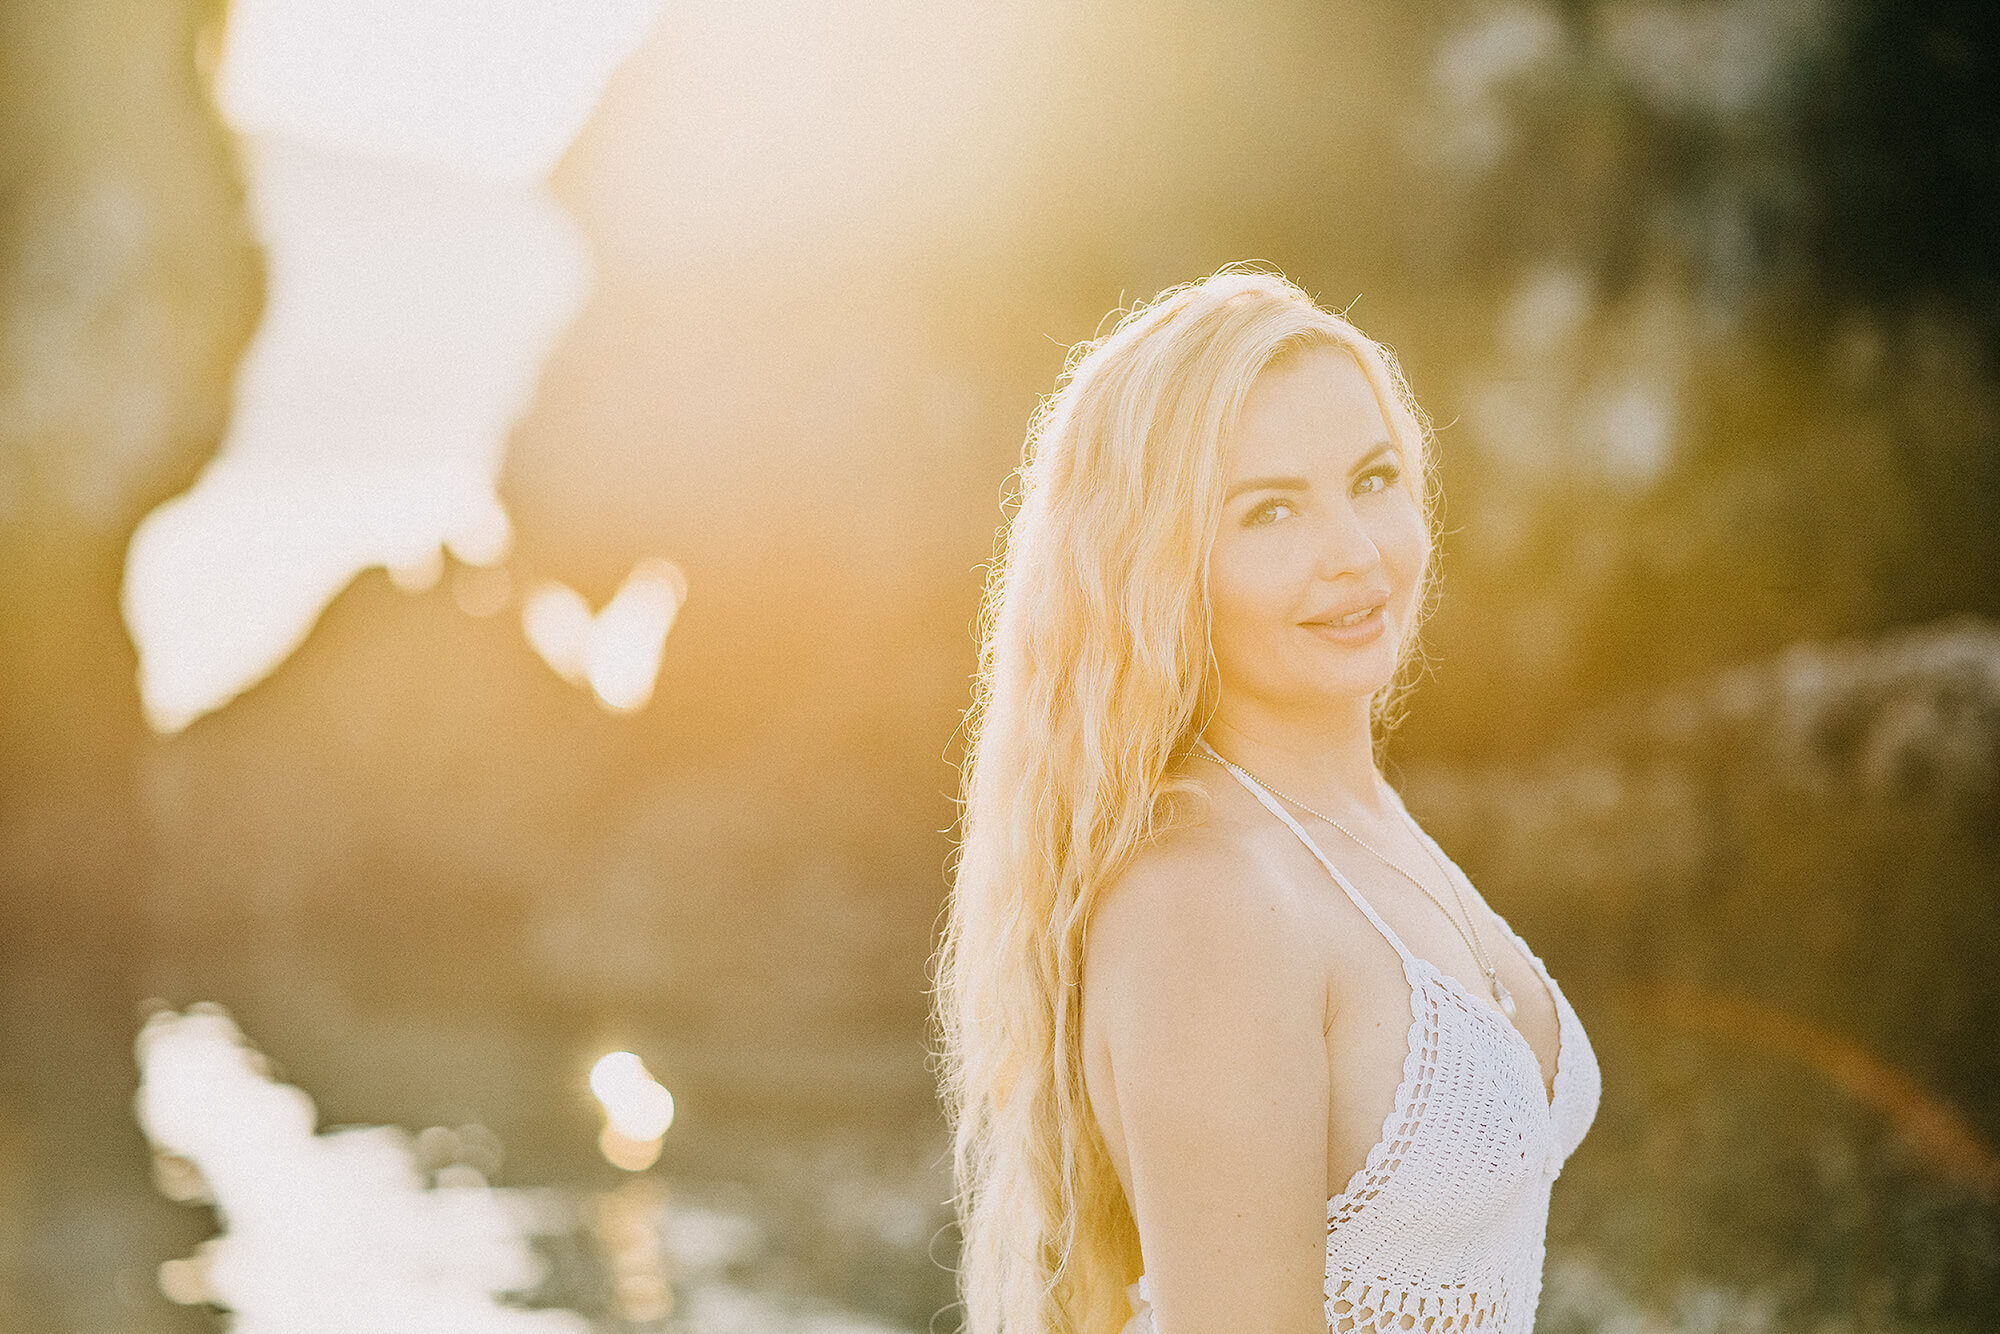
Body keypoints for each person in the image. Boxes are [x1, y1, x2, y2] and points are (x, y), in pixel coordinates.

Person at [933, 267, 1600, 1334]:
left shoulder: (1360, 817)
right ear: (1160, 567)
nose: (1352, 552)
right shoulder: (1205, 902)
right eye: (1270, 510)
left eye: (1372, 479)